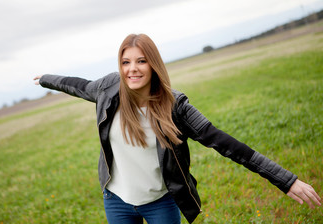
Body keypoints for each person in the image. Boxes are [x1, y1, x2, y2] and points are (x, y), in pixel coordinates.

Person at [33, 34, 321, 223]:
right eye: (125, 62)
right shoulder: (108, 90)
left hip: (160, 202)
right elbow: (75, 85)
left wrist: (286, 180)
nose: (132, 69)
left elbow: (227, 144)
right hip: (117, 200)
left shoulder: (176, 108)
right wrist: (45, 78)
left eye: (141, 61)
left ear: (153, 65)